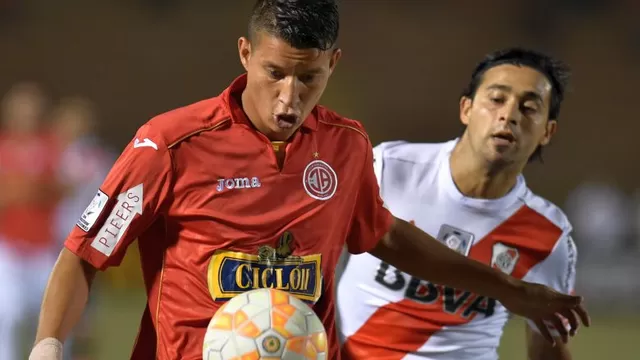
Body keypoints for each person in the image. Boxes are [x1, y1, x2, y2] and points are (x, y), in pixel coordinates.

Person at [30, 2, 589, 360]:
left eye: (309, 77)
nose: (289, 97)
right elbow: (85, 254)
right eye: (275, 73)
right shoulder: (169, 144)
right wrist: (49, 346)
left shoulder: (345, 145)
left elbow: (386, 236)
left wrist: (514, 293)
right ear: (246, 54)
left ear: (333, 65)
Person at [337, 48, 581, 360]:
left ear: (548, 131)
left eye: (529, 107)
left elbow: (549, 351)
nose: (509, 114)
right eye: (496, 99)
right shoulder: (388, 168)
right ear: (466, 109)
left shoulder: (550, 236)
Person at [0, 82, 63, 360]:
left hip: (43, 245)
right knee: (8, 312)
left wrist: (26, 189)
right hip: (8, 246)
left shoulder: (51, 145)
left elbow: (62, 188)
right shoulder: (2, 147)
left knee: (54, 317)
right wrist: (25, 189)